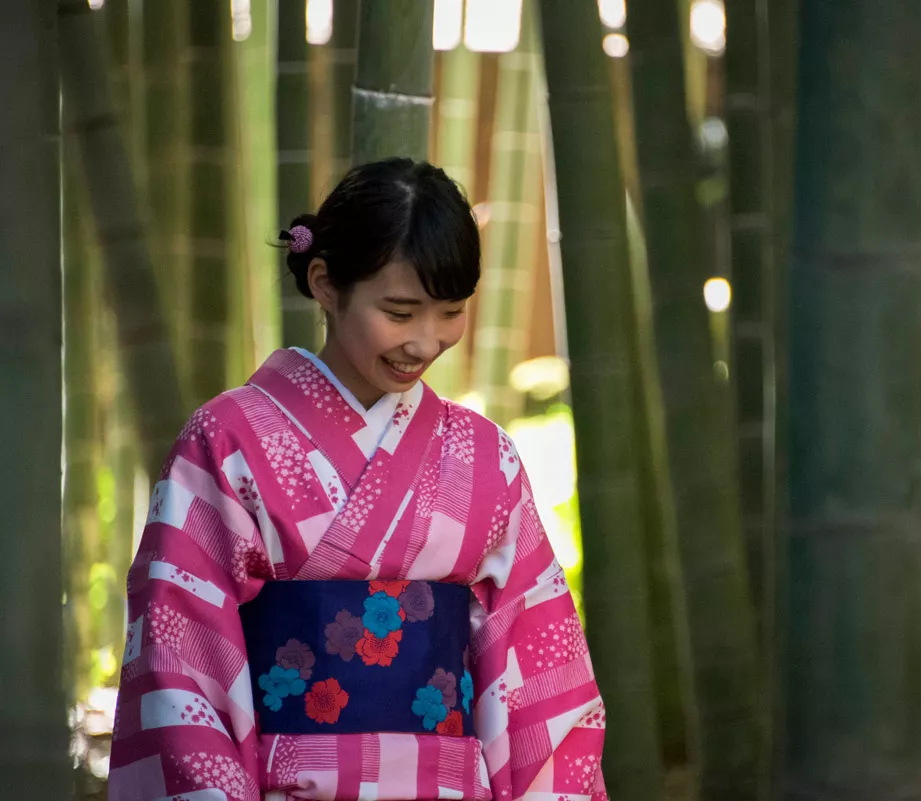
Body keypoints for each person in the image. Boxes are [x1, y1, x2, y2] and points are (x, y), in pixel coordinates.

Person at [109, 158, 607, 801]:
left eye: (450, 312)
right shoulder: (229, 442)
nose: (426, 343)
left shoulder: (485, 457)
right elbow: (183, 657)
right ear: (324, 283)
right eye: (400, 313)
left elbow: (540, 662)